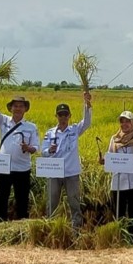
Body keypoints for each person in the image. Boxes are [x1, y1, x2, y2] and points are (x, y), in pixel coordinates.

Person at [0, 90, 40, 221]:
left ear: (25, 109)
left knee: (22, 198)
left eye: (21, 106)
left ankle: (22, 224)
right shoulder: (3, 121)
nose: (18, 108)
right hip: (4, 168)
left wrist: (28, 148)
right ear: (11, 108)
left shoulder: (31, 127)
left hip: (22, 168)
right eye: (15, 106)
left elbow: (36, 147)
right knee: (1, 196)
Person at [41, 91, 92, 231]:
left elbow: (87, 122)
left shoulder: (74, 130)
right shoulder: (49, 133)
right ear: (56, 116)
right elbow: (43, 151)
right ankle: (51, 229)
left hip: (71, 172)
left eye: (65, 115)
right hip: (54, 172)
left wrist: (86, 104)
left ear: (69, 116)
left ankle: (76, 231)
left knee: (74, 203)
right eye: (60, 115)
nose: (63, 117)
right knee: (52, 203)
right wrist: (49, 151)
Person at [101, 110, 133, 238]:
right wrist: (103, 160)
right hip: (118, 181)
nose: (124, 124)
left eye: (128, 121)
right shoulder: (114, 139)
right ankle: (119, 237)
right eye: (122, 121)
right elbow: (110, 156)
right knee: (118, 212)